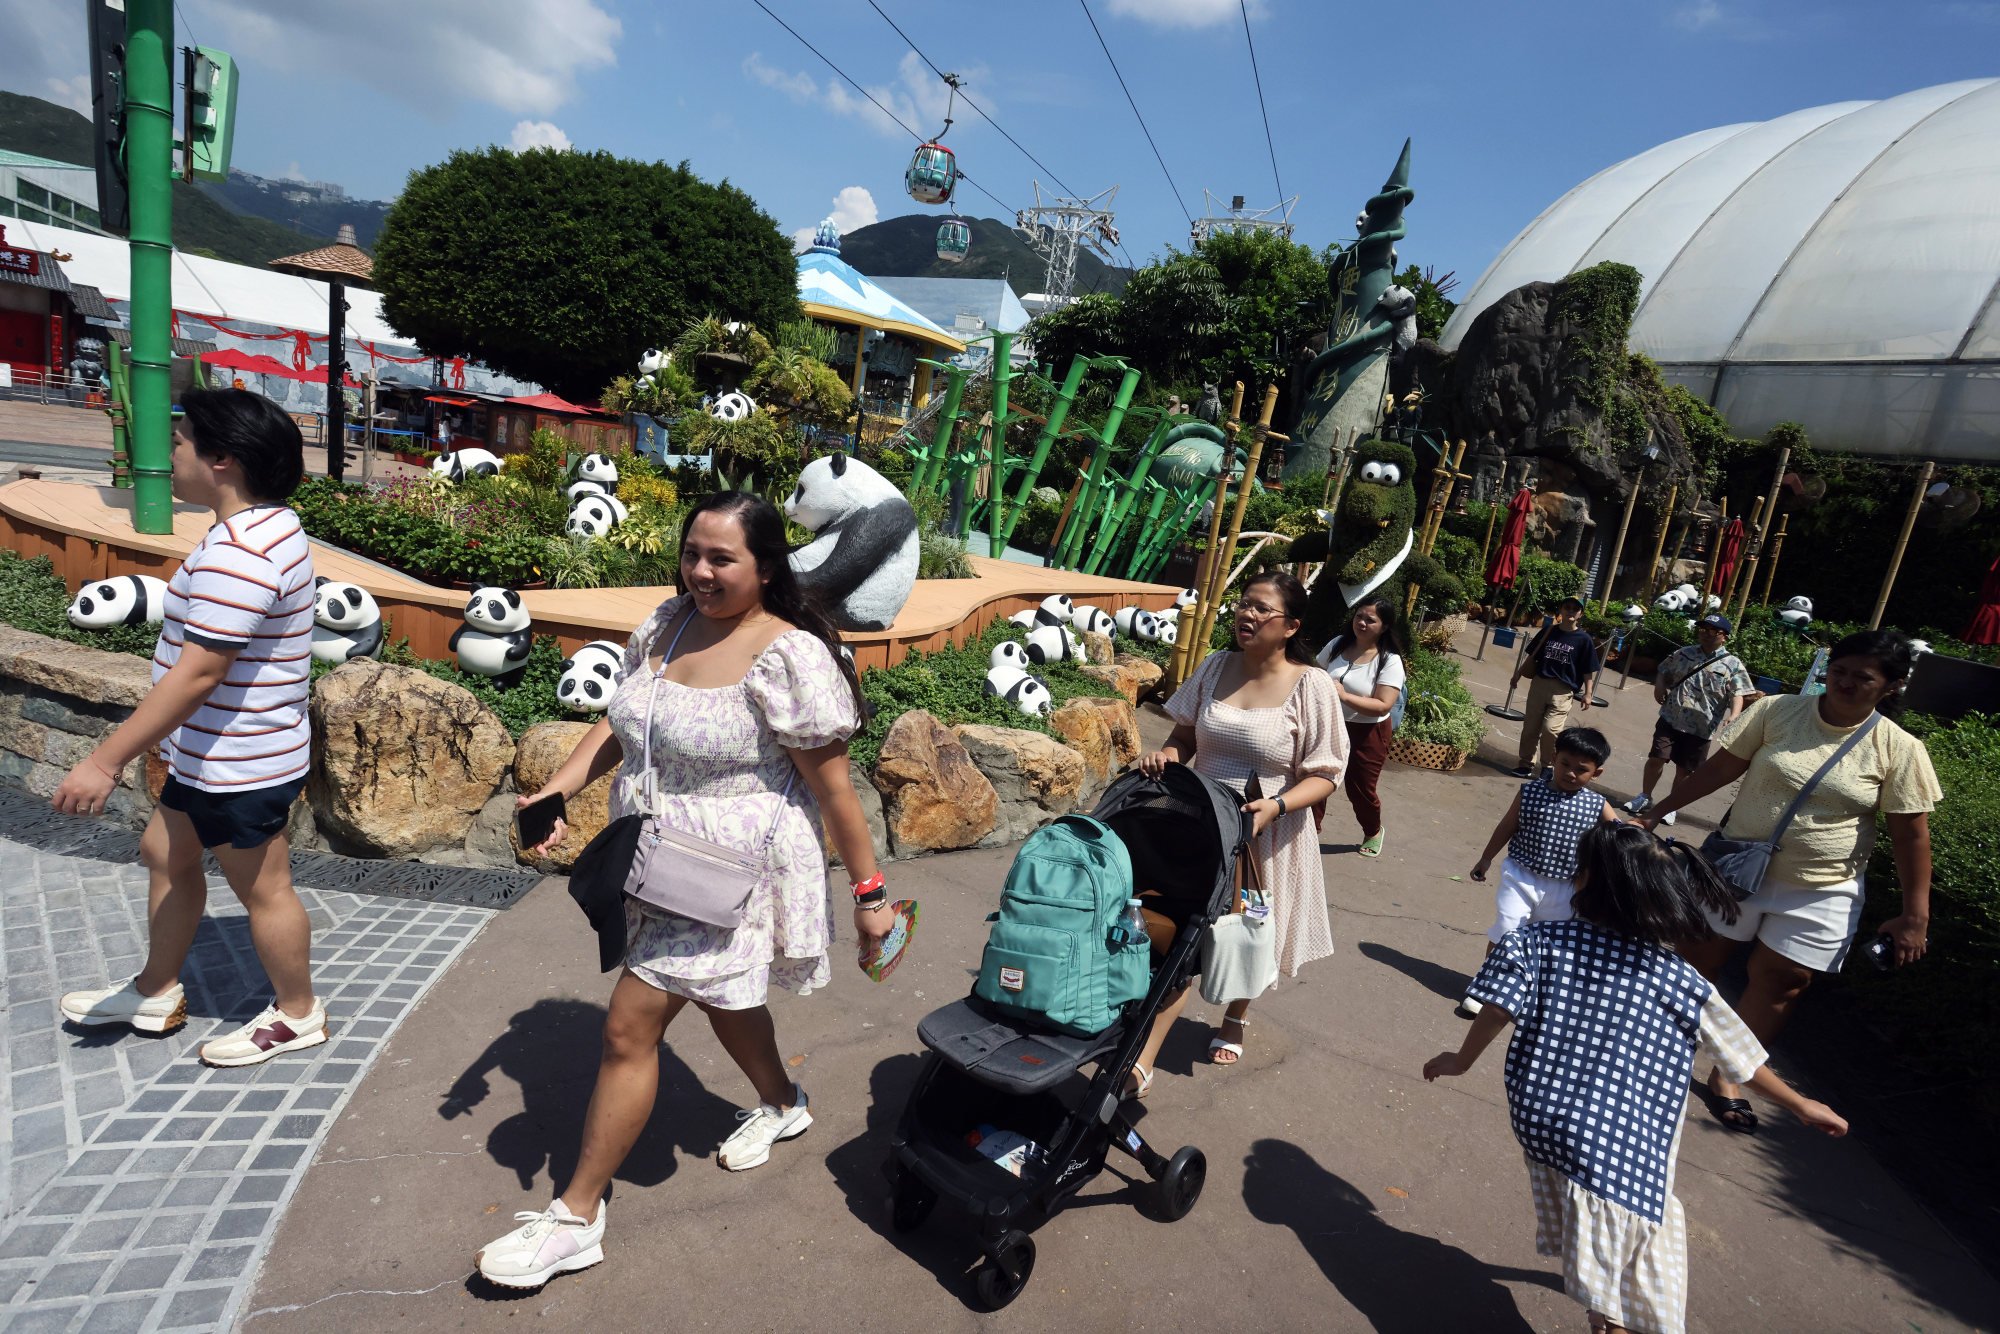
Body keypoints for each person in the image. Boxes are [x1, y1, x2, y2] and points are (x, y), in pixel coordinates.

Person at [474, 492, 891, 1289]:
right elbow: (623, 718)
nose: (700, 571)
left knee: (630, 1027)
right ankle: (783, 1099)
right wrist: (559, 789)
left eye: (722, 559)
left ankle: (576, 1218)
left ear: (766, 566)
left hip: (726, 875)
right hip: (653, 856)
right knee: (722, 997)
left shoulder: (789, 656)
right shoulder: (666, 624)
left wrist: (870, 895)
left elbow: (835, 792)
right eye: (692, 553)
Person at [1425, 823, 1847, 1334]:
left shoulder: (1536, 941)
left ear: (1583, 880)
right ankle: (1612, 1318)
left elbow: (1495, 1010)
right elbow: (1740, 1058)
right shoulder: (1678, 976)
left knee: (1599, 1224)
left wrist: (1460, 1060)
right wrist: (1800, 1104)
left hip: (1545, 1116)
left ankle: (1606, 1309)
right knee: (1635, 1229)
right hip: (1625, 1137)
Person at [53, 390, 325, 1067]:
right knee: (164, 852)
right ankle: (156, 987)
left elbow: (199, 674)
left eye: (181, 442)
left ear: (223, 459)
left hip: (240, 763)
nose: (170, 455)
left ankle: (298, 1013)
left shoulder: (242, 555)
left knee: (265, 889)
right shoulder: (266, 527)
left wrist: (105, 759)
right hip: (215, 754)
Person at [1641, 629, 1939, 1134]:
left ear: (1890, 686)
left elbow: (1912, 837)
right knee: (1698, 960)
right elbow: (1719, 770)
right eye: (1838, 671)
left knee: (1784, 982)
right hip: (1737, 868)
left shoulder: (1900, 749)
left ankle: (1732, 1076)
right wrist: (1658, 811)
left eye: (1861, 677)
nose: (1843, 683)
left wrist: (1916, 915)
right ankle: (1660, 1049)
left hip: (1822, 887)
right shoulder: (1778, 711)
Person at [1134, 571, 1346, 1076]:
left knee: (1246, 932)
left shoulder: (1311, 686)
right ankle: (1143, 1049)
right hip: (1201, 820)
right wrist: (1167, 754)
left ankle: (1235, 1017)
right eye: (1244, 604)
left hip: (1265, 832)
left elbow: (1326, 774)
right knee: (1185, 929)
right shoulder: (1214, 666)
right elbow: (1185, 735)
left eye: (1261, 608)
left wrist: (1278, 805)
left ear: (1291, 625)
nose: (1246, 615)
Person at [1460, 727, 1618, 1018]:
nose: (1570, 773)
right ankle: (1486, 988)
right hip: (1521, 875)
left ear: (1596, 773)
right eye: (1565, 764)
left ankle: (1526, 992)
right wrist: (1486, 858)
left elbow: (1620, 837)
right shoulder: (1530, 791)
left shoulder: (1597, 804)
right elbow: (1507, 826)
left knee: (1545, 943)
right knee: (1507, 929)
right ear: (1554, 758)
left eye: (1581, 770)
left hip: (1567, 887)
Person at [1622, 614, 1753, 828]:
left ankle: (1671, 807)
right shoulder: (1684, 653)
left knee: (1685, 771)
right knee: (1657, 757)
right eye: (1703, 630)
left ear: (1725, 637)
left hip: (1701, 729)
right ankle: (1645, 796)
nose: (1707, 635)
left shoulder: (1732, 664)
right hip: (1671, 718)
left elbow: (1738, 692)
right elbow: (1663, 670)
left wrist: (1734, 715)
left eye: (1713, 631)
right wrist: (1659, 686)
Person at [1314, 594, 1407, 857]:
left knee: (1361, 789)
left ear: (1385, 626)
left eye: (1370, 619)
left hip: (1368, 731)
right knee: (1316, 778)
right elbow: (1314, 673)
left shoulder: (1389, 661)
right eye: (1359, 616)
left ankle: (1373, 830)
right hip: (1329, 724)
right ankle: (1310, 831)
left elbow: (1383, 704)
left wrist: (1344, 695)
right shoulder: (1337, 645)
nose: (1362, 623)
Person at [1511, 597, 1601, 778]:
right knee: (1530, 728)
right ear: (1560, 610)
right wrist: (1518, 674)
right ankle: (1525, 764)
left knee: (1551, 730)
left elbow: (1588, 670)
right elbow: (1532, 656)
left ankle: (1548, 767)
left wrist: (1588, 693)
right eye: (1567, 607)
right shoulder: (1549, 631)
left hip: (1563, 691)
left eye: (1575, 609)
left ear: (1580, 614)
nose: (1570, 611)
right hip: (1539, 684)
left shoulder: (1584, 640)